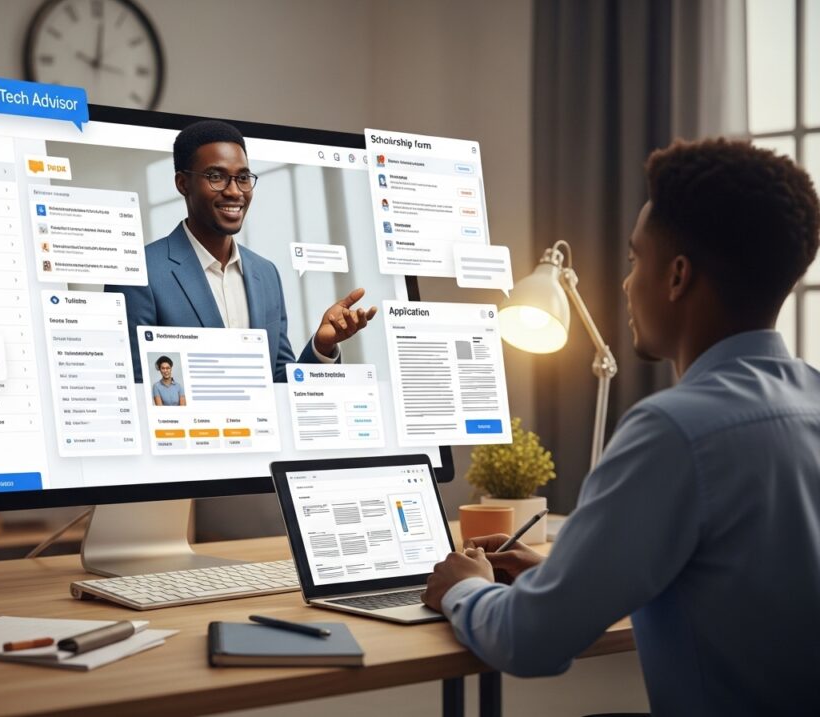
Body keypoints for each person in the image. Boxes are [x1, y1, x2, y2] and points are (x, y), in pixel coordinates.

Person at [422, 139, 820, 716]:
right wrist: (572, 574)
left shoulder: (675, 431)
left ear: (677, 275)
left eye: (636, 259)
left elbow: (530, 640)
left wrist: (461, 586)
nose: (628, 283)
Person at [108, 120, 377, 382]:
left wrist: (321, 347)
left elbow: (278, 381)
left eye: (244, 177)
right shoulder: (139, 271)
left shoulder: (265, 273)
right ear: (182, 183)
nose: (235, 192)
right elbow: (136, 387)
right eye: (216, 177)